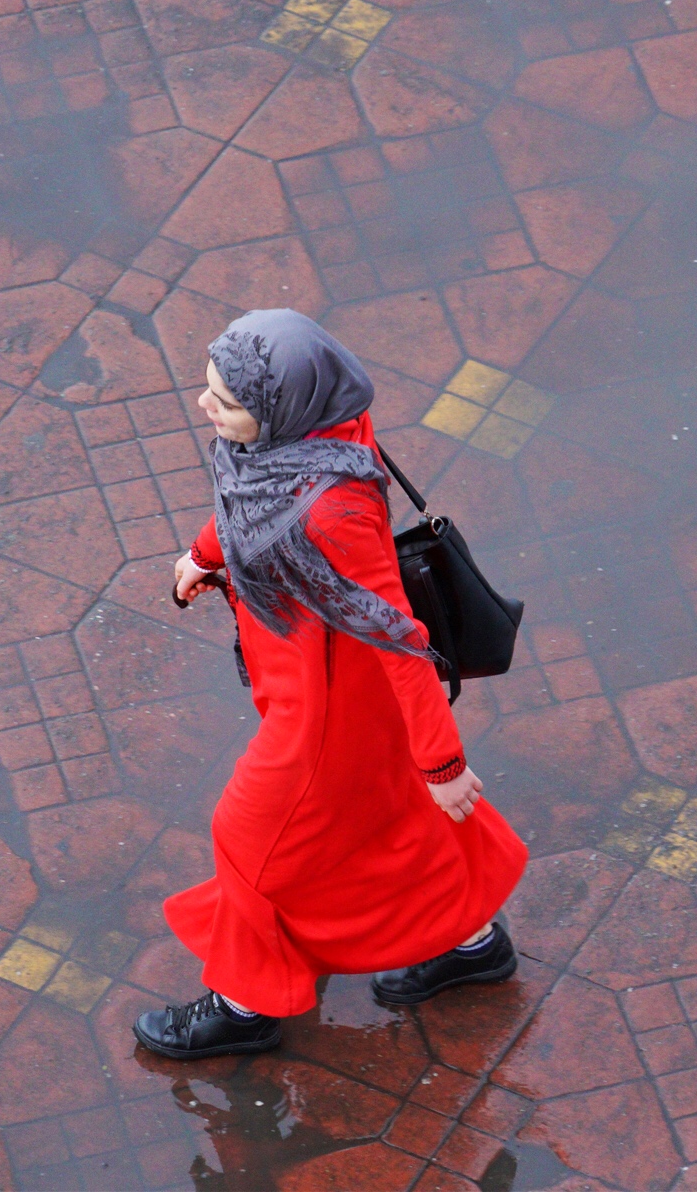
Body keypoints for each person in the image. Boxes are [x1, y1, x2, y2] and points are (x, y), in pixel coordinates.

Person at [133, 309, 530, 1059]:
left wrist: (442, 764)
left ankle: (245, 1009)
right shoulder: (309, 438)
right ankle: (472, 944)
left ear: (280, 408)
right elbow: (249, 502)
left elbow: (396, 636)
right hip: (318, 681)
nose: (205, 406)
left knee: (247, 839)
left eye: (226, 400)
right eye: (210, 387)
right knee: (389, 822)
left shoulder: (334, 508)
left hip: (323, 709)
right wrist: (207, 554)